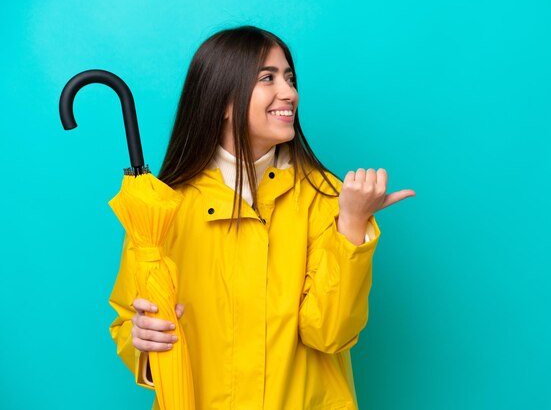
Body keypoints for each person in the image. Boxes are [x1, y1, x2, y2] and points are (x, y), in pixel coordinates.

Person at [109, 25, 415, 410]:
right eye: (267, 78)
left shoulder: (324, 196)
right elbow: (127, 320)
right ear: (221, 101)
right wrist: (146, 346)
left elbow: (329, 333)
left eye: (289, 78)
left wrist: (352, 224)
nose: (289, 92)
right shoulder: (160, 210)